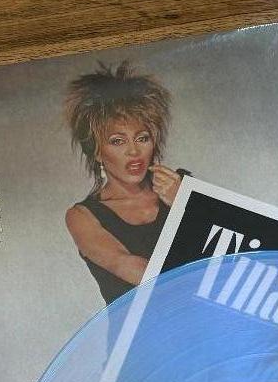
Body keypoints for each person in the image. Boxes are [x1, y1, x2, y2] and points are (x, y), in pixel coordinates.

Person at [64, 62, 186, 305]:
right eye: (117, 141)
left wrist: (183, 202)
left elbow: (233, 250)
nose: (134, 151)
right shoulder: (82, 216)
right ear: (97, 151)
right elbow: (130, 266)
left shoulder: (181, 186)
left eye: (142, 138)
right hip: (143, 328)